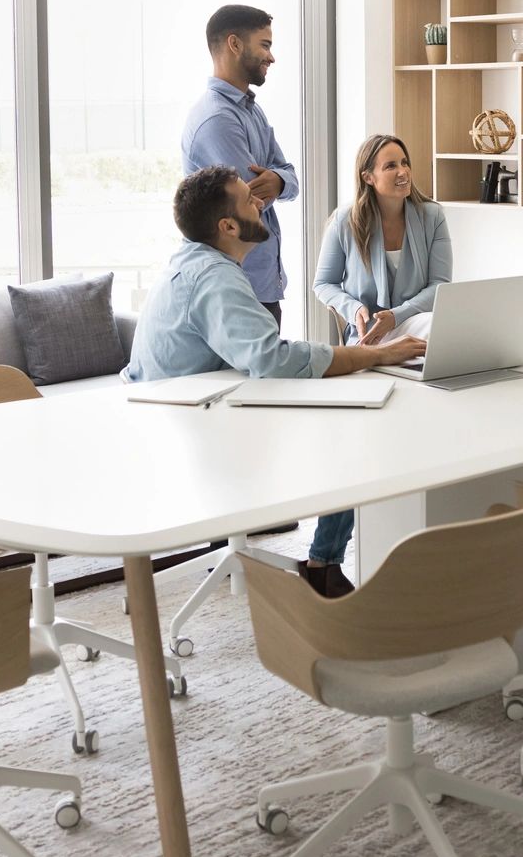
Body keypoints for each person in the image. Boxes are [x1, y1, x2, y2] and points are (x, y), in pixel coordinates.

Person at [125, 166, 424, 597]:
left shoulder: (195, 260)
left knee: (339, 410)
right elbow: (271, 358)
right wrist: (375, 355)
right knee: (351, 437)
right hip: (194, 429)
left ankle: (324, 562)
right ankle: (324, 564)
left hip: (183, 413)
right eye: (249, 200)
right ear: (228, 226)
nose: (261, 203)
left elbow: (256, 354)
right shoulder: (215, 277)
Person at [182, 3, 297, 322]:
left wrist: (280, 180)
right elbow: (251, 202)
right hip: (235, 291)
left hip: (260, 287)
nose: (271, 57)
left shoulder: (251, 110)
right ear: (234, 44)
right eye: (265, 45)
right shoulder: (218, 119)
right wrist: (276, 181)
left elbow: (289, 177)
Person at [314, 134, 452, 346]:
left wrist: (397, 316)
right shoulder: (344, 221)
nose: (403, 171)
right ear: (368, 177)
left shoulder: (432, 216)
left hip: (417, 325)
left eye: (404, 163)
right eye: (390, 166)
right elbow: (324, 284)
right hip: (368, 334)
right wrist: (354, 309)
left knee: (446, 326)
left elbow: (439, 285)